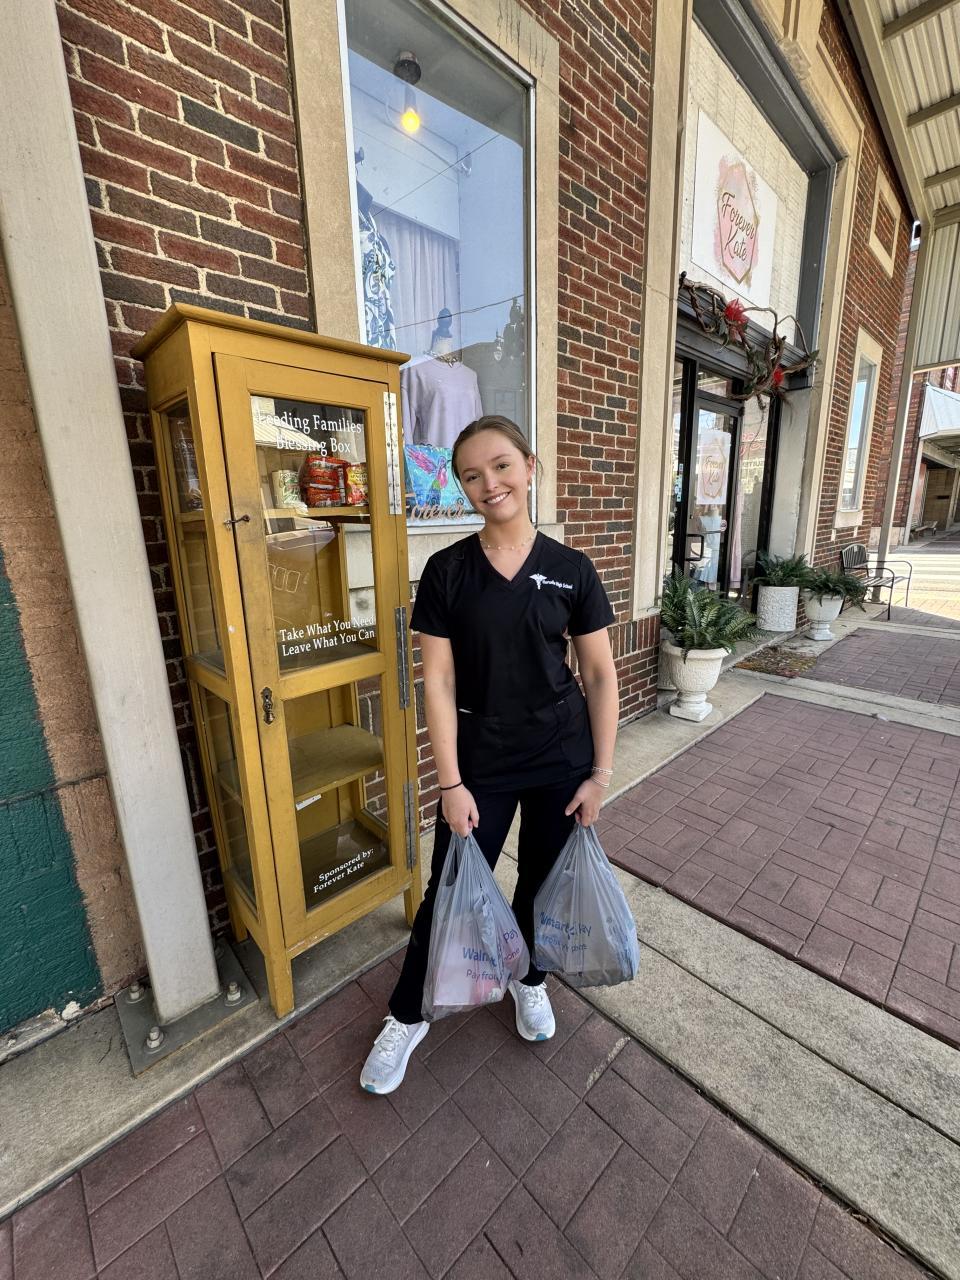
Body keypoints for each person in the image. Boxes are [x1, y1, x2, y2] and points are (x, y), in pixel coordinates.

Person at [360, 415, 619, 1094]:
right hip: (481, 760)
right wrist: (449, 784)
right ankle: (407, 1015)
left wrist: (600, 773)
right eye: (472, 475)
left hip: (561, 754)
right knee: (449, 888)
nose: (490, 483)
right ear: (461, 487)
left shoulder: (571, 569)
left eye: (502, 466)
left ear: (529, 467)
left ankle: (529, 979)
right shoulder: (446, 572)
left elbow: (599, 675)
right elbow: (438, 683)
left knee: (541, 881)